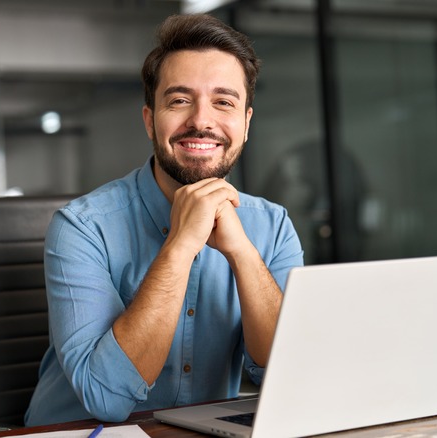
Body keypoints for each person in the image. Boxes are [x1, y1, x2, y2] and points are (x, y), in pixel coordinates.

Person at [25, 13, 304, 426]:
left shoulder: (273, 225)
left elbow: (288, 374)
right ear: (150, 121)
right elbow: (105, 399)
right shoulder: (82, 227)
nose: (202, 121)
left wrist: (243, 252)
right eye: (179, 100)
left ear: (245, 124)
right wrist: (181, 244)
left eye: (223, 102)